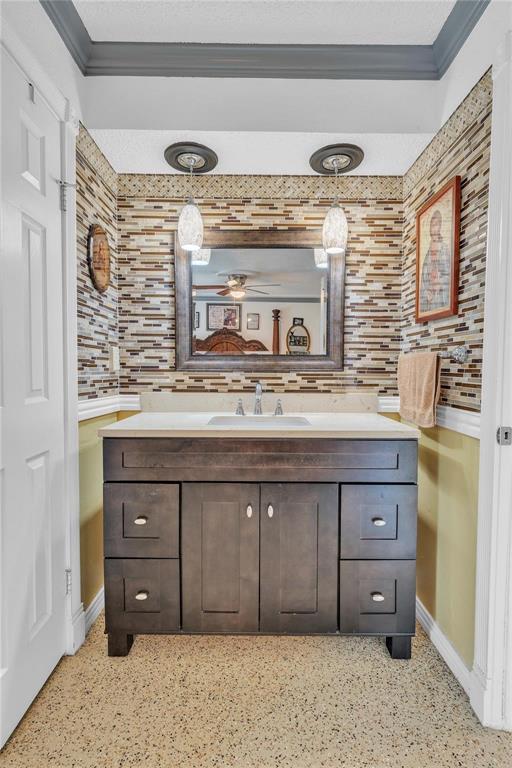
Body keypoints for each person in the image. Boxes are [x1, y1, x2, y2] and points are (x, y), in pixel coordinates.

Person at [420, 209, 451, 314]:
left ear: (440, 227)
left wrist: (440, 283)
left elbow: (448, 274)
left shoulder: (444, 249)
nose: (433, 227)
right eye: (431, 224)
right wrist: (426, 292)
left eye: (436, 224)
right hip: (429, 299)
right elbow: (423, 280)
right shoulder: (427, 254)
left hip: (440, 298)